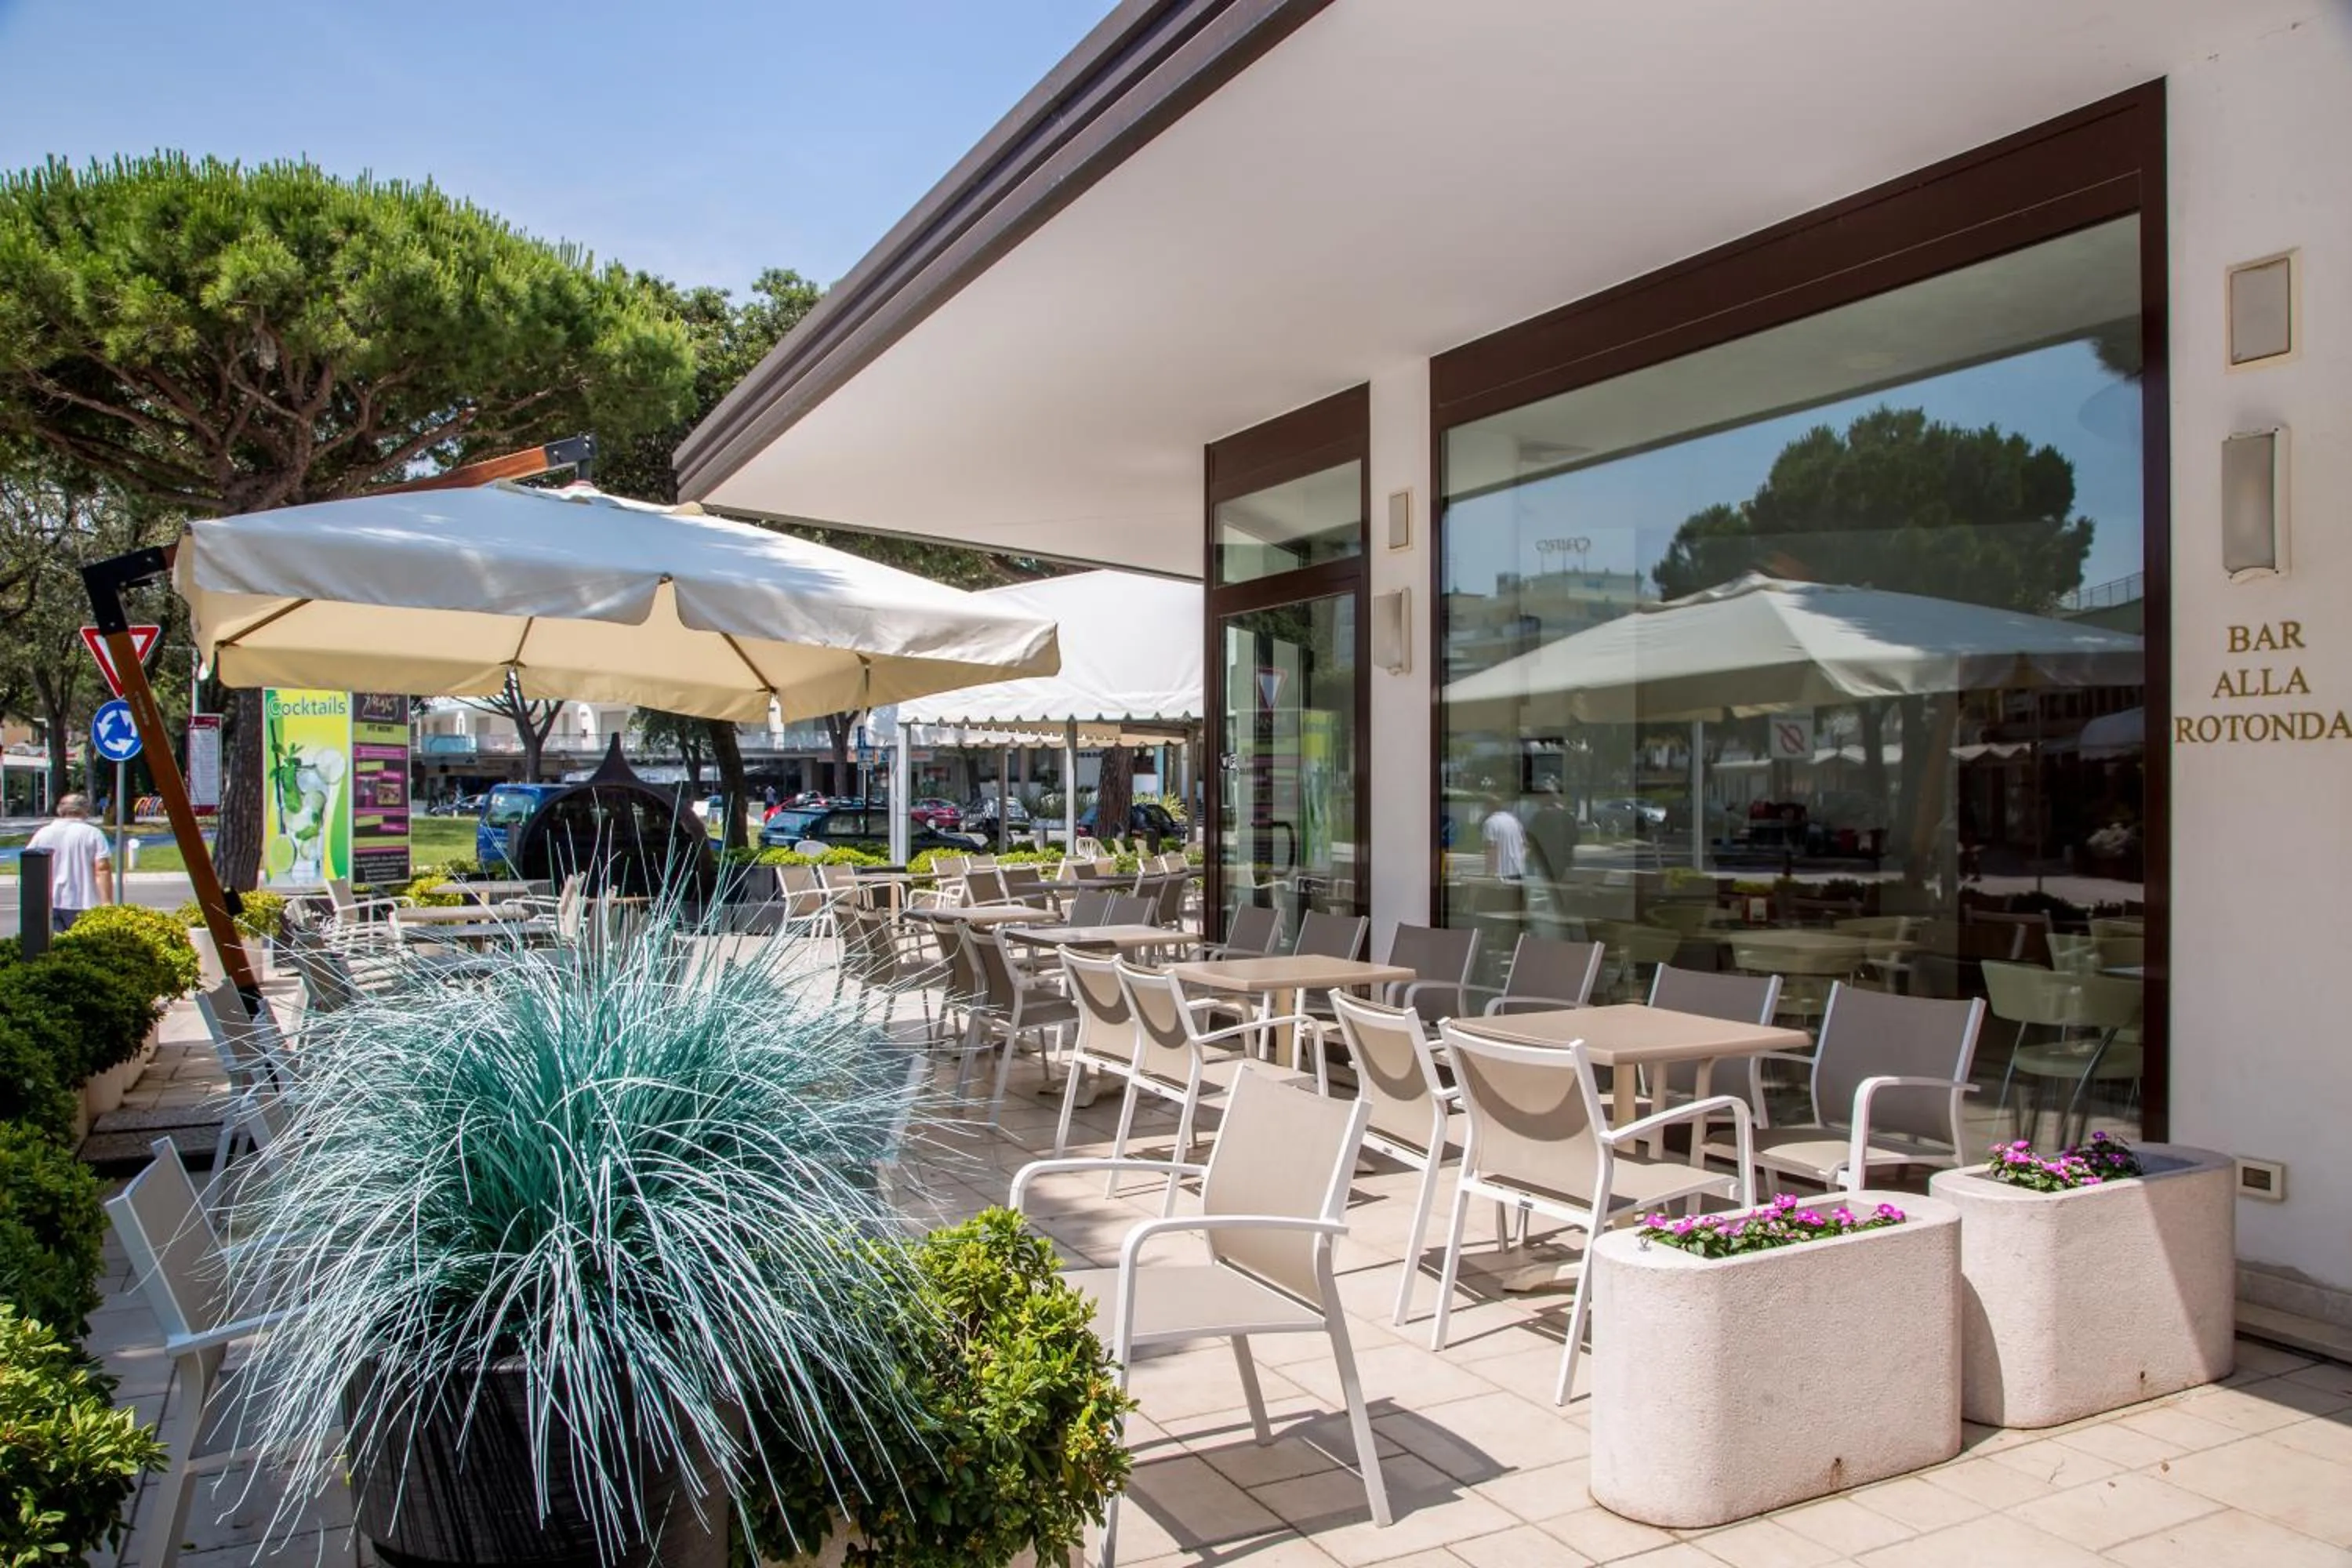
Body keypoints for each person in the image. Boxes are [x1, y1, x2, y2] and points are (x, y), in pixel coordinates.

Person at [27, 793, 113, 932]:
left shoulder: (43, 833)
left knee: (54, 947)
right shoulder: (93, 834)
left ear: (60, 810)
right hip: (84, 902)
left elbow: (31, 867)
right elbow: (102, 869)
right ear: (85, 810)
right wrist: (107, 902)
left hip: (51, 902)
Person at [1527, 779, 1578, 884]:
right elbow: (1575, 839)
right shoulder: (1568, 815)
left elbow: (1531, 840)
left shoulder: (1540, 816)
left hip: (1545, 864)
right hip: (1565, 863)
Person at [1480, 794, 1528, 881]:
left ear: (1490, 806)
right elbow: (1524, 845)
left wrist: (1489, 874)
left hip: (1502, 873)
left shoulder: (1491, 823)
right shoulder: (1514, 821)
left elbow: (1492, 849)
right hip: (1518, 871)